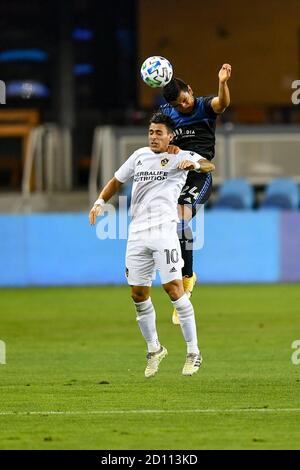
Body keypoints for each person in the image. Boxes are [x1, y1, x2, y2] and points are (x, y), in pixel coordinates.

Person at [89, 113, 215, 378]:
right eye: (151, 132)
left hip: (164, 232)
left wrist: (192, 165)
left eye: (159, 133)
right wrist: (100, 202)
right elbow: (116, 181)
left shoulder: (181, 155)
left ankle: (194, 352)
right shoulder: (139, 156)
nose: (154, 137)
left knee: (173, 289)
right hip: (136, 233)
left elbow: (208, 166)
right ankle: (154, 349)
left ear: (171, 136)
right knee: (137, 294)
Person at [160, 63, 231, 325]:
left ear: (190, 91)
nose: (184, 106)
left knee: (181, 219)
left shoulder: (203, 106)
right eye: (178, 105)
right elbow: (156, 138)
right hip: (172, 178)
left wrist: (222, 83)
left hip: (199, 174)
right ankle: (178, 285)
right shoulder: (166, 112)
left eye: (185, 100)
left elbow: (222, 104)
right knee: (170, 228)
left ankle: (187, 279)